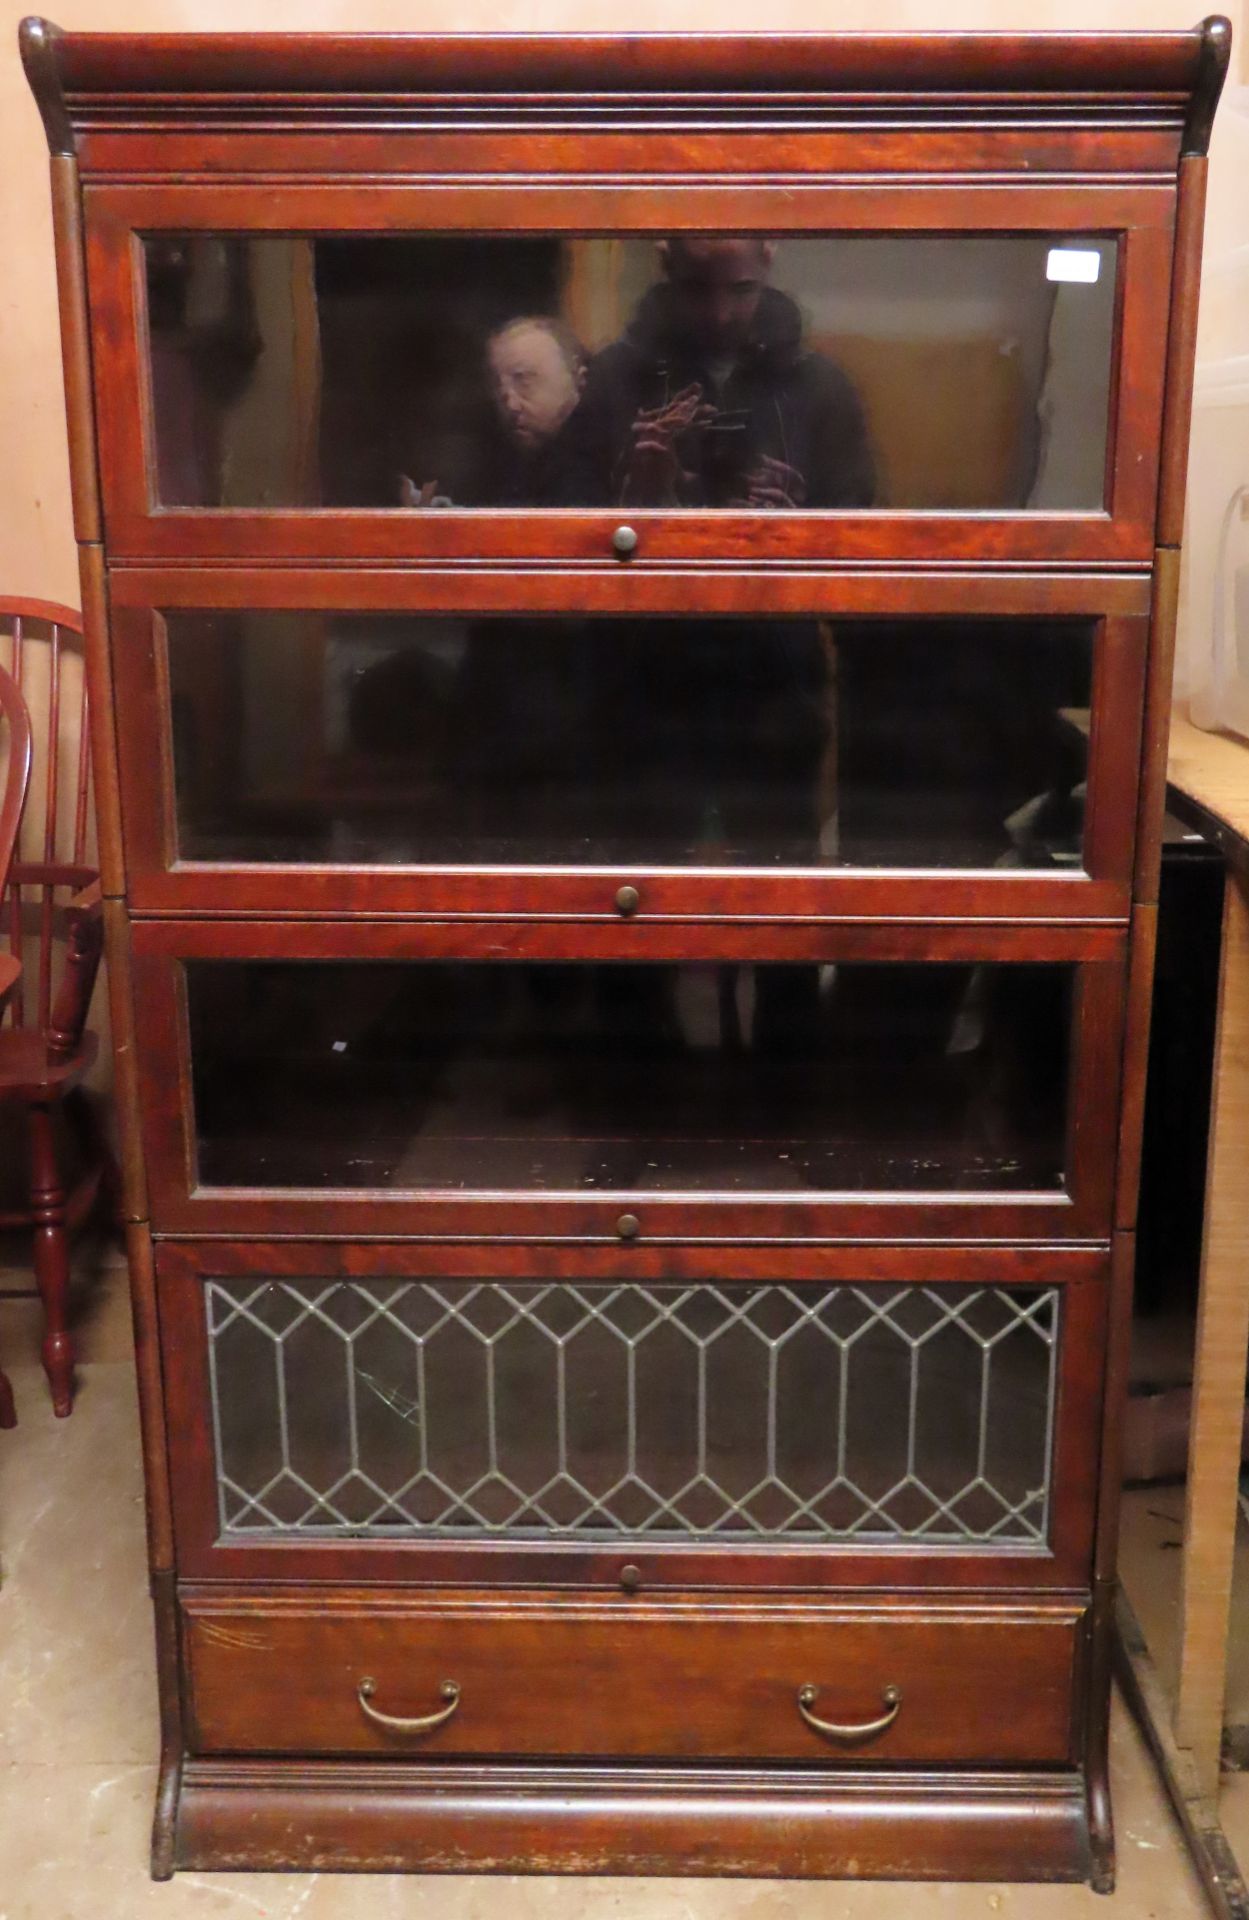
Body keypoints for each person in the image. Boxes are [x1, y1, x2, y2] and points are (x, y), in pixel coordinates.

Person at [578, 236, 875, 509]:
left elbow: (858, 526)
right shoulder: (612, 379)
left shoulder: (825, 390)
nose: (720, 315)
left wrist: (800, 534)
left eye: (741, 289)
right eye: (696, 288)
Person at [399, 313, 599, 508]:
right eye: (498, 387)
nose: (511, 405)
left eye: (524, 380)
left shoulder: (600, 467)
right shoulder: (502, 465)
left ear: (578, 382)